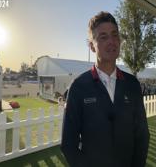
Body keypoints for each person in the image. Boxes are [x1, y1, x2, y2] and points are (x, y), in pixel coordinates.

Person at [61, 11, 150, 167]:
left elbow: (142, 135)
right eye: (103, 37)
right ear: (92, 46)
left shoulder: (132, 84)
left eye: (115, 35)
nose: (112, 41)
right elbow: (68, 144)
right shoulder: (79, 86)